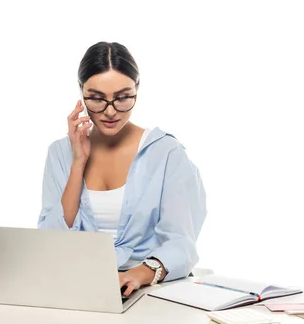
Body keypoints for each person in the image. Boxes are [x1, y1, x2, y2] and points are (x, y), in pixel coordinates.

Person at [38, 41, 206, 297]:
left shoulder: (166, 152)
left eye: (123, 98)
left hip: (151, 289)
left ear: (136, 89)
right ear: (81, 93)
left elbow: (182, 243)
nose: (110, 111)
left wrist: (138, 274)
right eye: (96, 99)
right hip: (80, 289)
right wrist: (78, 163)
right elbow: (51, 240)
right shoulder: (60, 153)